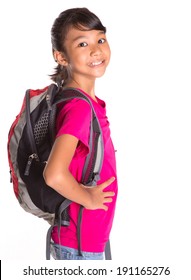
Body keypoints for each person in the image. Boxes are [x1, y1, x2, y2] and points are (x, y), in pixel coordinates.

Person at [43, 7, 118, 260]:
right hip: (79, 244)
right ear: (61, 57)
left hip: (83, 240)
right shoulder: (79, 108)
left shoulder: (84, 102)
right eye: (82, 43)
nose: (96, 50)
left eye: (100, 39)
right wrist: (87, 197)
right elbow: (54, 174)